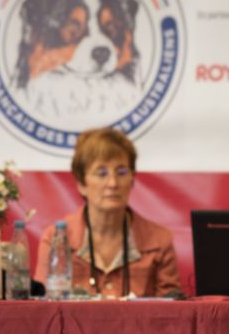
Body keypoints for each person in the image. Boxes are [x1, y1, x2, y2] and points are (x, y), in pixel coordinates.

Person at [35, 128, 181, 298]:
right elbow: (44, 310)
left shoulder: (159, 241)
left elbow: (173, 314)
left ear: (132, 179)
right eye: (101, 173)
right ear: (81, 183)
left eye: (121, 172)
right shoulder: (56, 238)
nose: (112, 183)